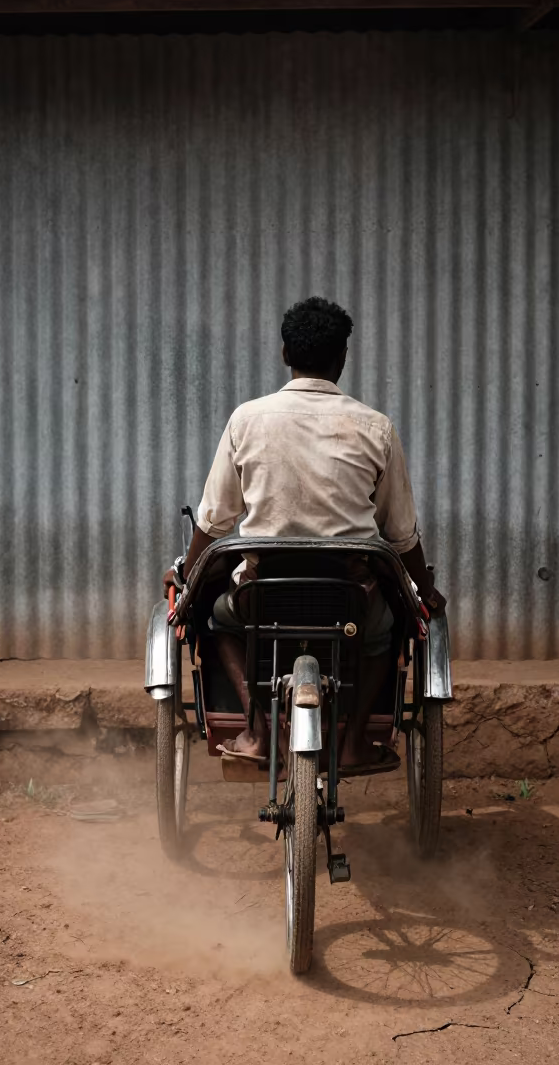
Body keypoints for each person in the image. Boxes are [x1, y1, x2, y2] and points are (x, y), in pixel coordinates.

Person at [163, 297, 444, 772]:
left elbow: (214, 523)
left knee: (215, 621)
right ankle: (353, 742)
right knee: (390, 630)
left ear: (284, 353)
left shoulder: (246, 420)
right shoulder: (375, 427)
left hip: (262, 599)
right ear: (342, 359)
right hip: (349, 600)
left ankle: (254, 728)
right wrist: (427, 590)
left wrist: (186, 580)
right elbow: (400, 535)